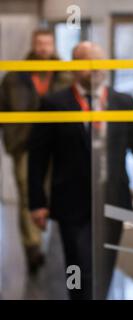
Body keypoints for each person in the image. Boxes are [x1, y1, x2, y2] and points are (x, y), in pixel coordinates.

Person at [28, 42, 133, 299]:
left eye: (100, 64)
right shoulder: (54, 104)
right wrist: (36, 203)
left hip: (113, 198)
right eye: (89, 65)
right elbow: (38, 156)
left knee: (105, 265)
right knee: (79, 264)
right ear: (75, 68)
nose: (97, 70)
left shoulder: (122, 101)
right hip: (72, 202)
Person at [0, 29, 72, 274]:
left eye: (47, 43)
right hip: (25, 143)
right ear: (33, 45)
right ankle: (33, 247)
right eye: (39, 43)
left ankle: (58, 244)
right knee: (27, 192)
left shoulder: (66, 75)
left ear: (53, 45)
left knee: (57, 191)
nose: (43, 48)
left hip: (59, 142)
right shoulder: (14, 76)